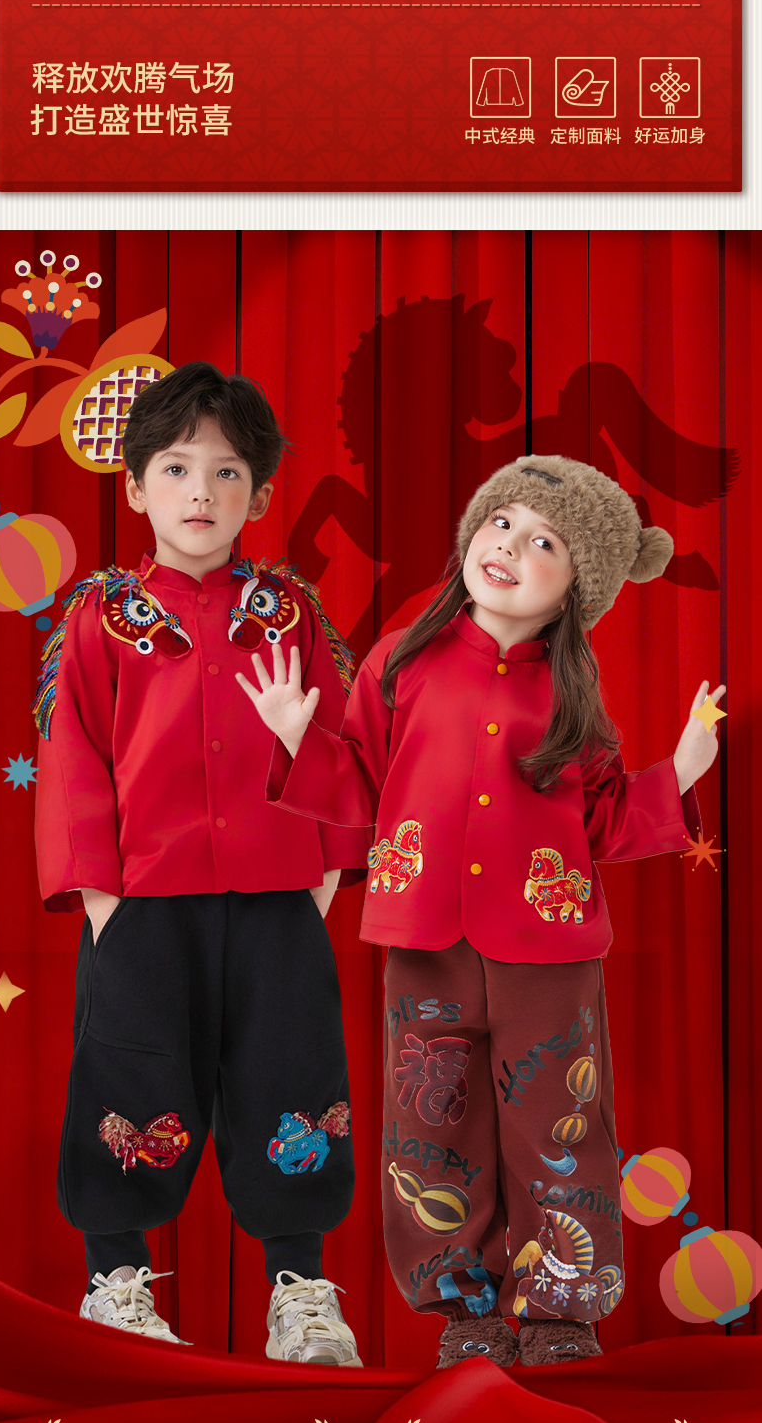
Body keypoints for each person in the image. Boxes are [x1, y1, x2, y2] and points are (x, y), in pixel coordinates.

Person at [236, 453, 725, 1369]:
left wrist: (680, 772)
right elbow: (364, 783)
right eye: (502, 522)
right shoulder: (402, 657)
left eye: (544, 542)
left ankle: (562, 1310)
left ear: (578, 586)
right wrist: (300, 736)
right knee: (431, 1128)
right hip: (426, 938)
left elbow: (605, 820)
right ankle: (464, 1307)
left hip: (549, 951)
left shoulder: (573, 690)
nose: (509, 546)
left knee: (559, 1123)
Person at [32, 361, 370, 1365]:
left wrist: (323, 876)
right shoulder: (100, 615)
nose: (200, 492)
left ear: (257, 496)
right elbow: (74, 757)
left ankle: (300, 1293)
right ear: (135, 485)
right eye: (176, 468)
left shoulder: (290, 611)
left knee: (292, 1076)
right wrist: (104, 903)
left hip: (277, 901)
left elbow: (336, 741)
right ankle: (115, 1281)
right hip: (141, 903)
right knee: (129, 1074)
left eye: (227, 472)